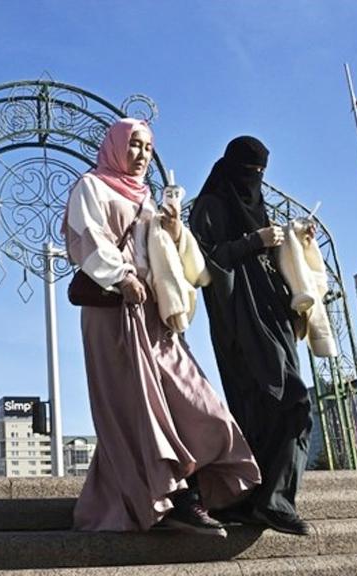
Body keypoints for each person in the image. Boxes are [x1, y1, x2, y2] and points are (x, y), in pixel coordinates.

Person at [63, 118, 260, 534]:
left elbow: (167, 258)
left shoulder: (148, 198)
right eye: (134, 145)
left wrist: (172, 229)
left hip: (152, 313)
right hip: (111, 312)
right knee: (134, 406)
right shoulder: (92, 186)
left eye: (148, 148)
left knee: (194, 397)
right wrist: (122, 277)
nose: (141, 155)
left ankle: (195, 488)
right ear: (117, 145)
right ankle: (174, 499)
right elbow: (88, 239)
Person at [188, 136, 313, 535]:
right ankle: (266, 502)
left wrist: (292, 247)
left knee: (282, 407)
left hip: (274, 318)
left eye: (260, 173)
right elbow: (206, 266)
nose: (254, 180)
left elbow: (268, 265)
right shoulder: (209, 207)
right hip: (241, 324)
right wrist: (253, 242)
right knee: (289, 402)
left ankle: (259, 500)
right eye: (249, 172)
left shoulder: (256, 207)